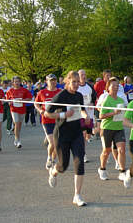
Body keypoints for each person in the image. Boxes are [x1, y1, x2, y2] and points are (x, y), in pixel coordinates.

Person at [44, 71, 91, 207]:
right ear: (68, 82)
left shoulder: (79, 95)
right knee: (63, 166)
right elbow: (47, 113)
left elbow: (82, 109)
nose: (76, 84)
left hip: (76, 133)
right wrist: (63, 114)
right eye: (74, 82)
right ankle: (53, 171)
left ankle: (77, 195)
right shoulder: (60, 96)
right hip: (62, 134)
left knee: (79, 162)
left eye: (78, 82)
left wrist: (85, 115)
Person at [98, 77, 128, 183]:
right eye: (113, 86)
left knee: (121, 150)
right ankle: (102, 169)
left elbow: (124, 113)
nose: (115, 87)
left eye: (117, 85)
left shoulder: (120, 100)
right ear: (108, 88)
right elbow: (101, 115)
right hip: (107, 128)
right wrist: (113, 113)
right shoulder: (106, 100)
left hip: (119, 128)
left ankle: (122, 172)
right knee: (107, 151)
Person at [35, 74, 62, 170]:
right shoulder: (42, 92)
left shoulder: (60, 92)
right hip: (46, 120)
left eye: (54, 80)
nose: (53, 82)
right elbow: (36, 103)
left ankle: (53, 159)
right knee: (52, 142)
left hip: (57, 121)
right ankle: (49, 157)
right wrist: (40, 110)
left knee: (56, 143)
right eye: (51, 80)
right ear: (46, 81)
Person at [5, 76, 32, 148]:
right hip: (13, 109)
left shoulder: (24, 90)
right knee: (16, 123)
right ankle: (18, 140)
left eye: (18, 81)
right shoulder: (10, 91)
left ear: (20, 82)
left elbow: (30, 98)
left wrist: (23, 100)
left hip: (22, 109)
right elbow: (7, 100)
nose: (16, 83)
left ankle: (16, 138)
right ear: (13, 82)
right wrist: (9, 102)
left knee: (19, 125)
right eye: (15, 81)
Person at [77, 69, 97, 163]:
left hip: (90, 113)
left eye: (84, 74)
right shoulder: (76, 86)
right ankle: (83, 154)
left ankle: (81, 150)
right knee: (83, 134)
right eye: (81, 75)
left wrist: (92, 103)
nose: (83, 76)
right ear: (78, 76)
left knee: (88, 135)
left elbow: (94, 97)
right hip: (80, 113)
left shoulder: (89, 86)